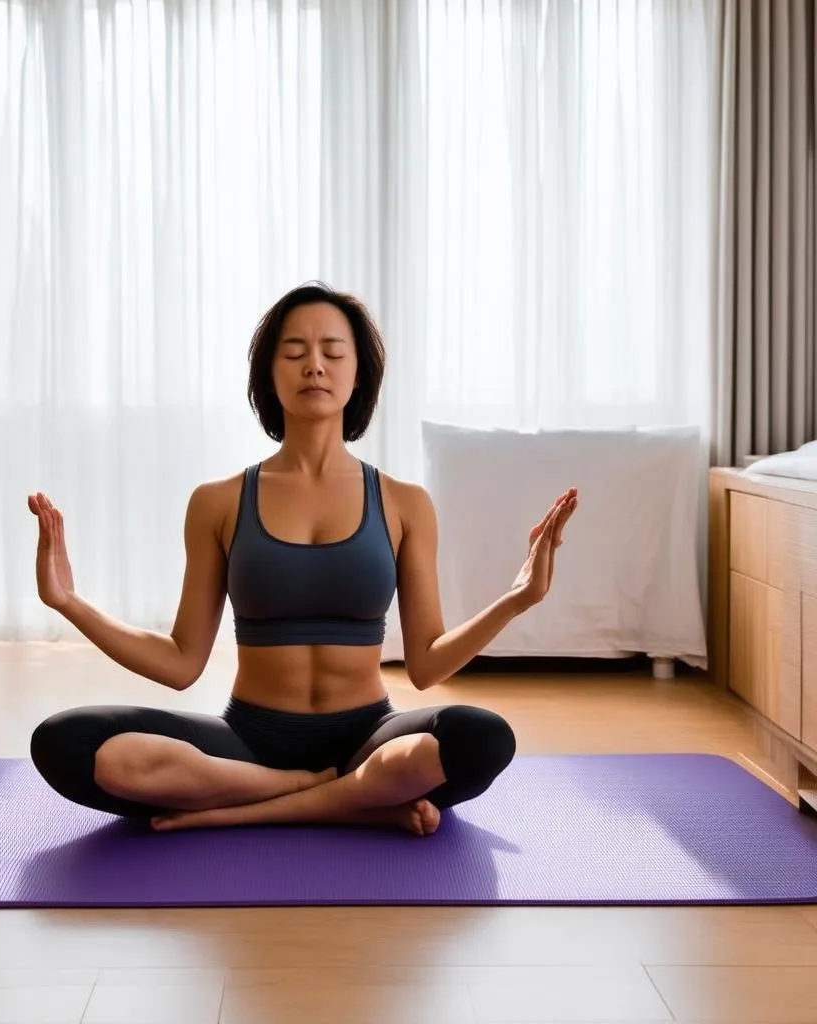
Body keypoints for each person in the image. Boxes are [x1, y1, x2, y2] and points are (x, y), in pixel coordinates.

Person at [28, 283, 577, 836]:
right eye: (294, 352)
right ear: (269, 374)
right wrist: (68, 603)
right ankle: (339, 797)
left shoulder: (405, 503)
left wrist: (517, 600)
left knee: (482, 738)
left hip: (368, 738)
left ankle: (252, 805)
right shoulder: (216, 502)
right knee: (65, 742)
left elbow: (427, 664)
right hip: (246, 743)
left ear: (358, 373)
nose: (314, 365)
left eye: (333, 352)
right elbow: (180, 662)